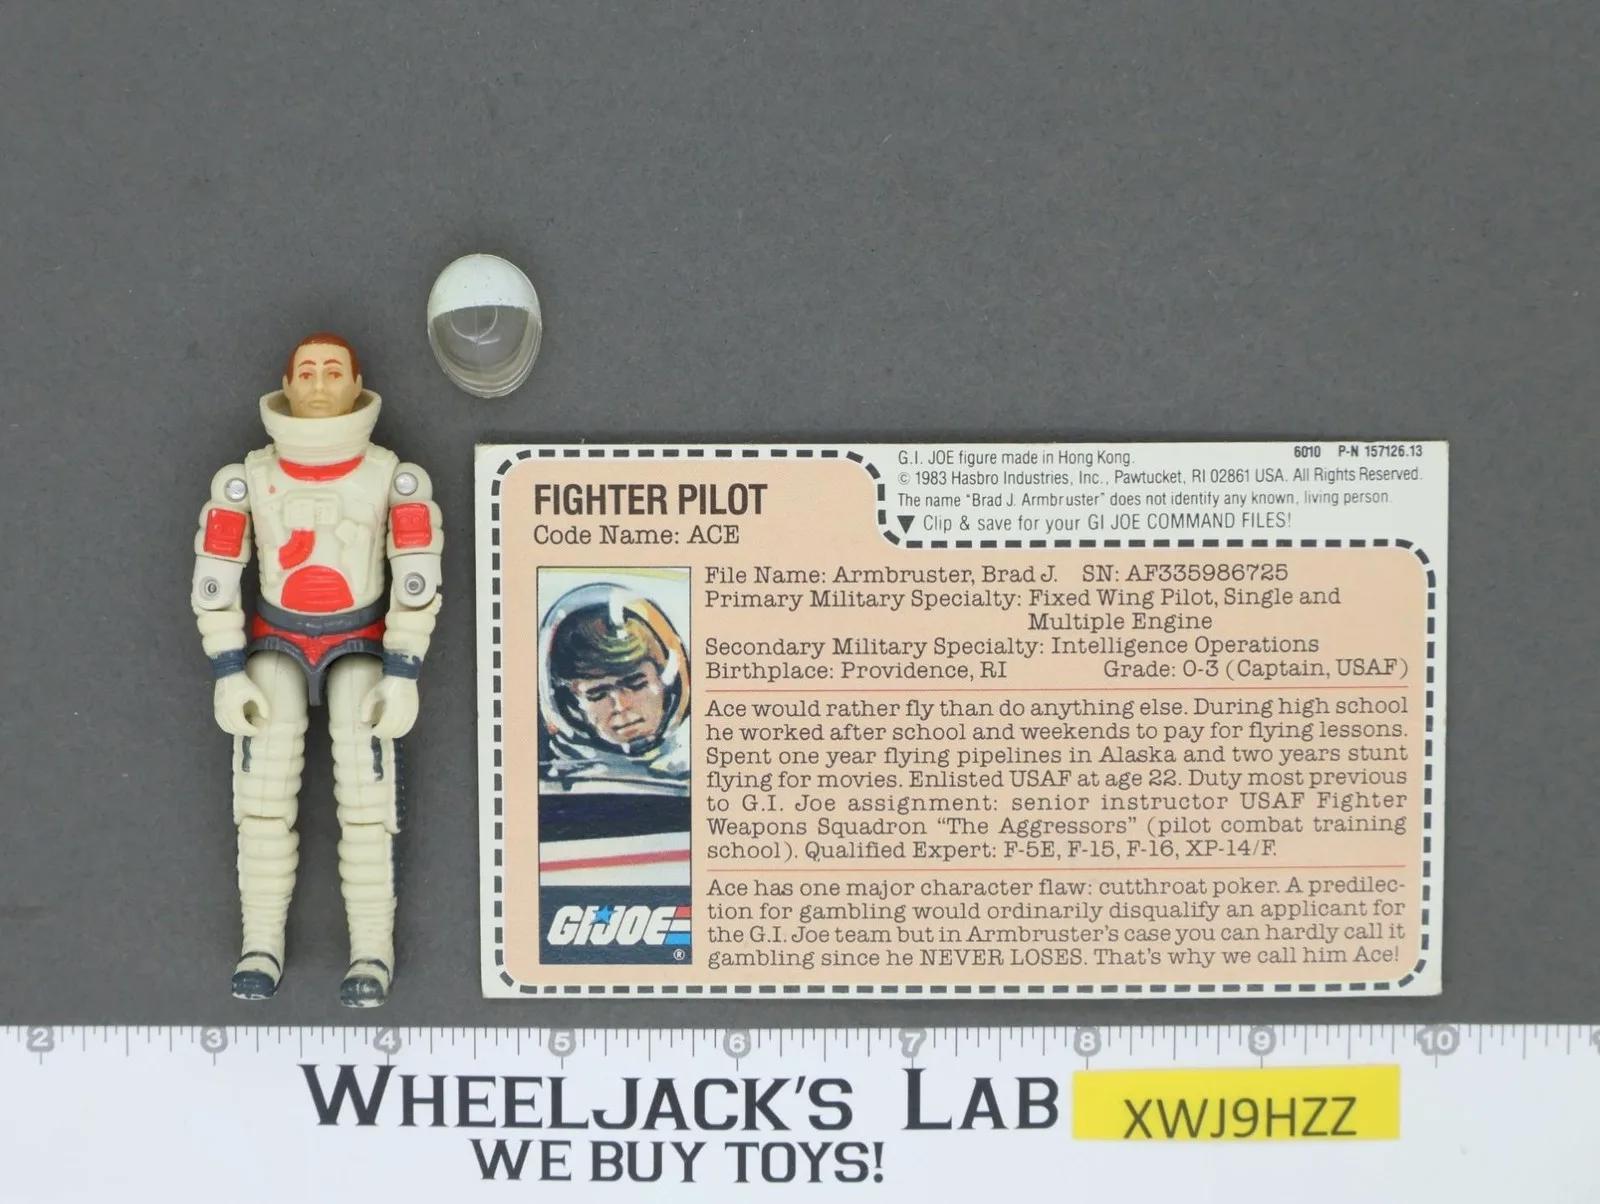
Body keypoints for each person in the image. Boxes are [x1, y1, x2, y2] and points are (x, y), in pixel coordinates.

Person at [190, 333, 442, 1007]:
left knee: (367, 802)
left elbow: (417, 580)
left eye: (334, 371)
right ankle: (260, 945)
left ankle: (371, 952)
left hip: (360, 643)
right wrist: (227, 667)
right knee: (261, 801)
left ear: (357, 385)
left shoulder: (392, 477)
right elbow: (216, 577)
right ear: (287, 384)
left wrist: (403, 669)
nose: (321, 383)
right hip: (275, 641)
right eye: (307, 372)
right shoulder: (248, 478)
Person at [538, 583, 690, 789]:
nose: (621, 705)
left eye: (636, 684)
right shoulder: (552, 786)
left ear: (666, 681)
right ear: (571, 704)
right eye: (597, 694)